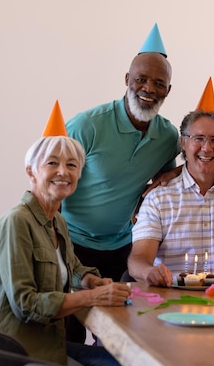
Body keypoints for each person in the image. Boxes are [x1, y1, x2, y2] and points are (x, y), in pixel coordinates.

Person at [0, 119, 141, 366]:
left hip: (52, 344)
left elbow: (74, 267)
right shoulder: (16, 222)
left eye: (72, 165)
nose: (63, 172)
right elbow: (26, 305)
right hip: (21, 355)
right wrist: (94, 296)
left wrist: (91, 280)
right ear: (31, 171)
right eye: (52, 163)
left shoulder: (58, 220)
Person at [60, 23, 180, 283]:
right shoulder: (87, 125)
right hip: (71, 243)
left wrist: (182, 170)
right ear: (127, 79)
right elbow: (51, 182)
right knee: (70, 322)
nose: (149, 88)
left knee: (114, 320)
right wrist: (50, 245)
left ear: (168, 90)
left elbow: (166, 183)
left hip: (122, 246)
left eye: (159, 83)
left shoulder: (168, 137)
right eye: (141, 79)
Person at [128, 81, 214, 287]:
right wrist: (149, 272)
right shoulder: (158, 198)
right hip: (169, 305)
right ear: (183, 143)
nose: (206, 148)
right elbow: (138, 258)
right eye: (198, 138)